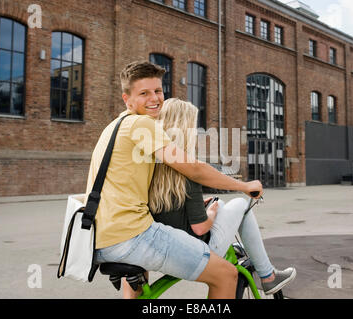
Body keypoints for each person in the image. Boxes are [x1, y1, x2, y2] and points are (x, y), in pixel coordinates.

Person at [85, 60, 263, 299]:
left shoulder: (115, 126)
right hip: (131, 236)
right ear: (126, 99)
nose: (154, 99)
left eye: (158, 91)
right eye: (144, 93)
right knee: (226, 275)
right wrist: (244, 186)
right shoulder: (142, 124)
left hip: (103, 238)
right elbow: (194, 169)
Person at [147, 98, 296, 296]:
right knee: (239, 204)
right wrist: (211, 212)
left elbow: (170, 208)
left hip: (161, 250)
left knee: (223, 203)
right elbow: (200, 227)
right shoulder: (189, 169)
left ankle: (267, 273)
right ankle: (268, 275)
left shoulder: (149, 167)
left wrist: (199, 207)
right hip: (195, 250)